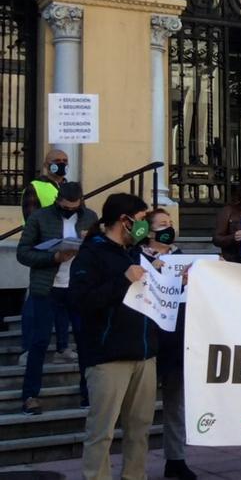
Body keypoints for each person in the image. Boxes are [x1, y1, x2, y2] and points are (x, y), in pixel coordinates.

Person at [69, 193, 158, 480]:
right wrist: (123, 280)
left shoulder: (136, 252)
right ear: (125, 220)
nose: (146, 228)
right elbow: (82, 301)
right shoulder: (91, 253)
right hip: (108, 357)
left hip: (144, 354)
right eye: (143, 220)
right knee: (102, 431)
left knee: (140, 429)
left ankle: (135, 475)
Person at [16, 181, 96, 415]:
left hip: (78, 288)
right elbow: (23, 252)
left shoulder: (90, 217)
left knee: (85, 342)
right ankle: (30, 395)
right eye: (66, 205)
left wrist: (88, 243)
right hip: (48, 288)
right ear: (58, 200)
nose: (70, 209)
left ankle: (87, 393)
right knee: (39, 342)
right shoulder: (40, 217)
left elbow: (100, 250)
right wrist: (54, 257)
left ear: (81, 201)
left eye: (75, 205)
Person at [139, 209, 196, 480]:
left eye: (170, 223)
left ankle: (176, 458)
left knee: (176, 403)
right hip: (148, 339)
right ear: (149, 230)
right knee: (141, 407)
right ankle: (135, 463)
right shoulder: (137, 257)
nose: (168, 228)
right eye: (162, 224)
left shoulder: (182, 257)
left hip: (177, 340)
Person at [21, 149, 70, 219]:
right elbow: (31, 219)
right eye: (57, 161)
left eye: (65, 161)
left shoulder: (72, 188)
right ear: (45, 165)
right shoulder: (34, 187)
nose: (62, 163)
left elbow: (82, 217)